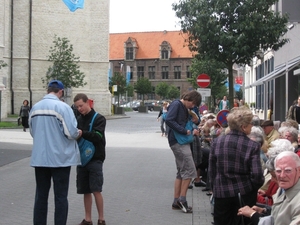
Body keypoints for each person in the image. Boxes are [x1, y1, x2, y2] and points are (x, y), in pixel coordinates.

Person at [29, 80, 82, 225]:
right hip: (60, 159)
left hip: (40, 159)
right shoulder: (63, 107)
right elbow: (71, 133)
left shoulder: (35, 108)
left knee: (41, 196)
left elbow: (33, 132)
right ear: (61, 92)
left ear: (48, 90)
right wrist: (79, 132)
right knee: (60, 197)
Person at [209, 106, 264, 225]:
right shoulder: (252, 145)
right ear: (243, 127)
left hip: (221, 191)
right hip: (244, 192)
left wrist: (214, 187)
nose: (251, 126)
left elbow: (212, 170)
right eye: (250, 124)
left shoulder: (216, 142)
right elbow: (257, 174)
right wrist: (253, 187)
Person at [238, 151, 300, 225]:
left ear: (298, 170)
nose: (282, 175)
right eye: (278, 171)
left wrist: (253, 215)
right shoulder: (284, 188)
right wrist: (265, 210)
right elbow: (280, 215)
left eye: (288, 170)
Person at [165, 90, 202, 213]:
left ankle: (176, 201)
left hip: (177, 141)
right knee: (190, 170)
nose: (193, 107)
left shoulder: (181, 106)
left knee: (181, 172)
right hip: (179, 141)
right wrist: (184, 131)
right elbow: (169, 120)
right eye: (193, 104)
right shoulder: (177, 105)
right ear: (189, 100)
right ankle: (182, 200)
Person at [73, 93, 107, 225]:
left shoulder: (99, 118)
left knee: (96, 189)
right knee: (85, 190)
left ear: (88, 103)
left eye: (81, 106)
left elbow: (98, 136)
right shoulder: (78, 119)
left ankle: (101, 219)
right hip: (81, 159)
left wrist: (82, 133)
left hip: (95, 159)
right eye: (77, 107)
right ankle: (88, 219)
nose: (80, 109)